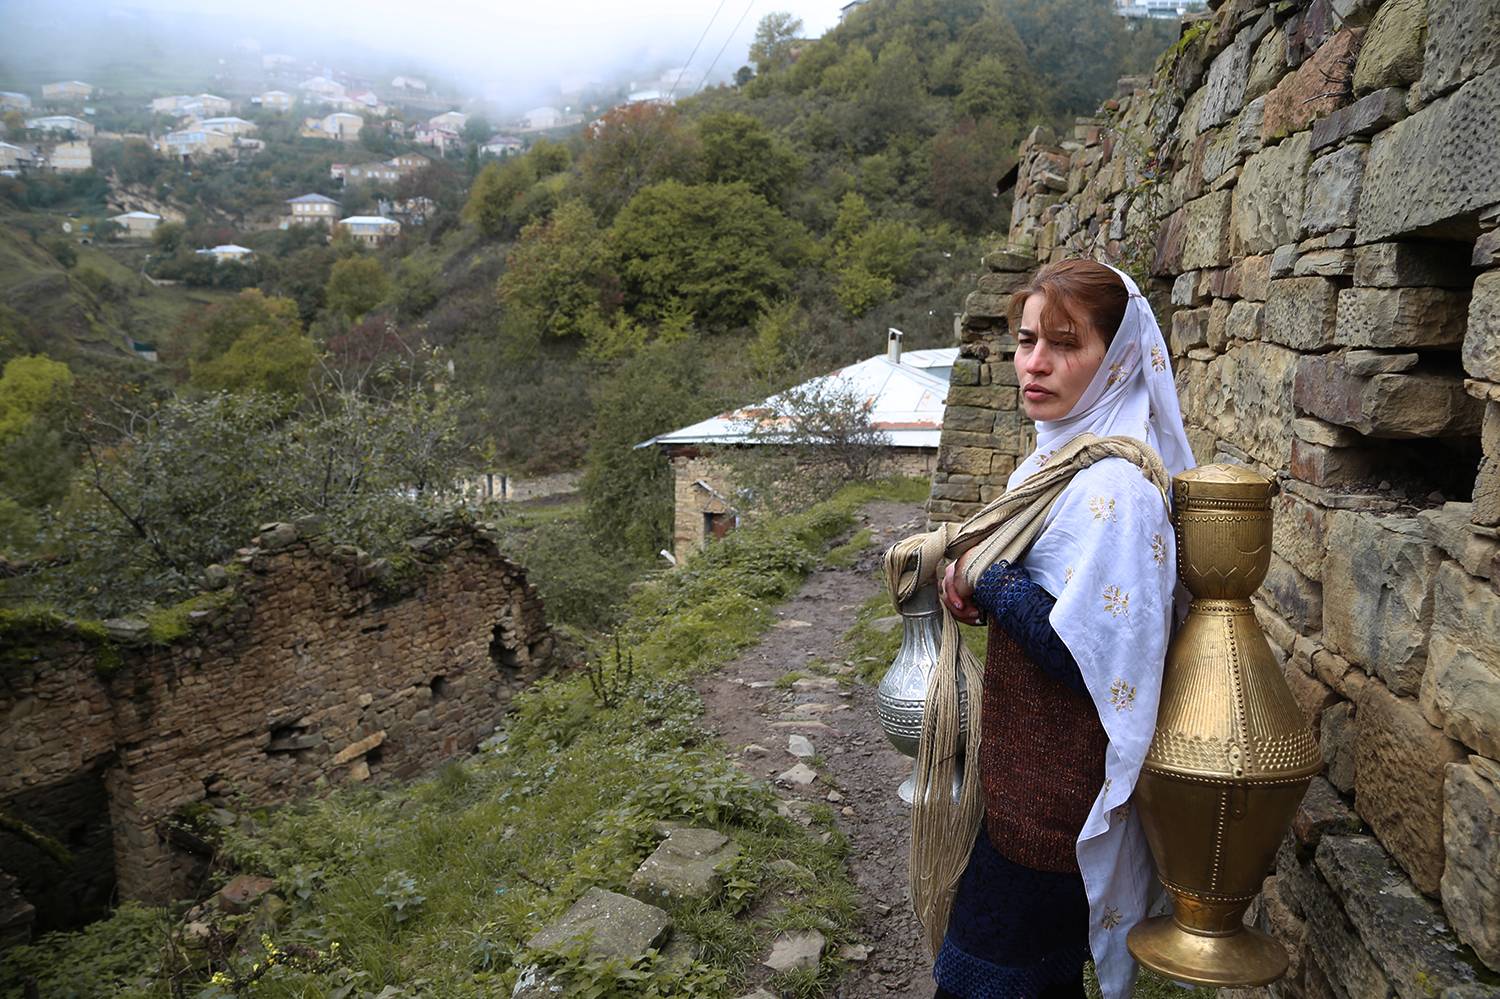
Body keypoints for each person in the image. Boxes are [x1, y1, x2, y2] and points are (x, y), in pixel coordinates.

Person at [933, 259, 1196, 999]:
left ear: (1118, 359)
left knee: (982, 981)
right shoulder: (1056, 462)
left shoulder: (1119, 489)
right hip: (1020, 785)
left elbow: (1089, 657)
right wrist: (980, 582)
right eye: (1026, 340)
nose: (1034, 363)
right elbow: (1051, 598)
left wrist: (987, 575)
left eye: (1065, 343)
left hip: (1058, 810)